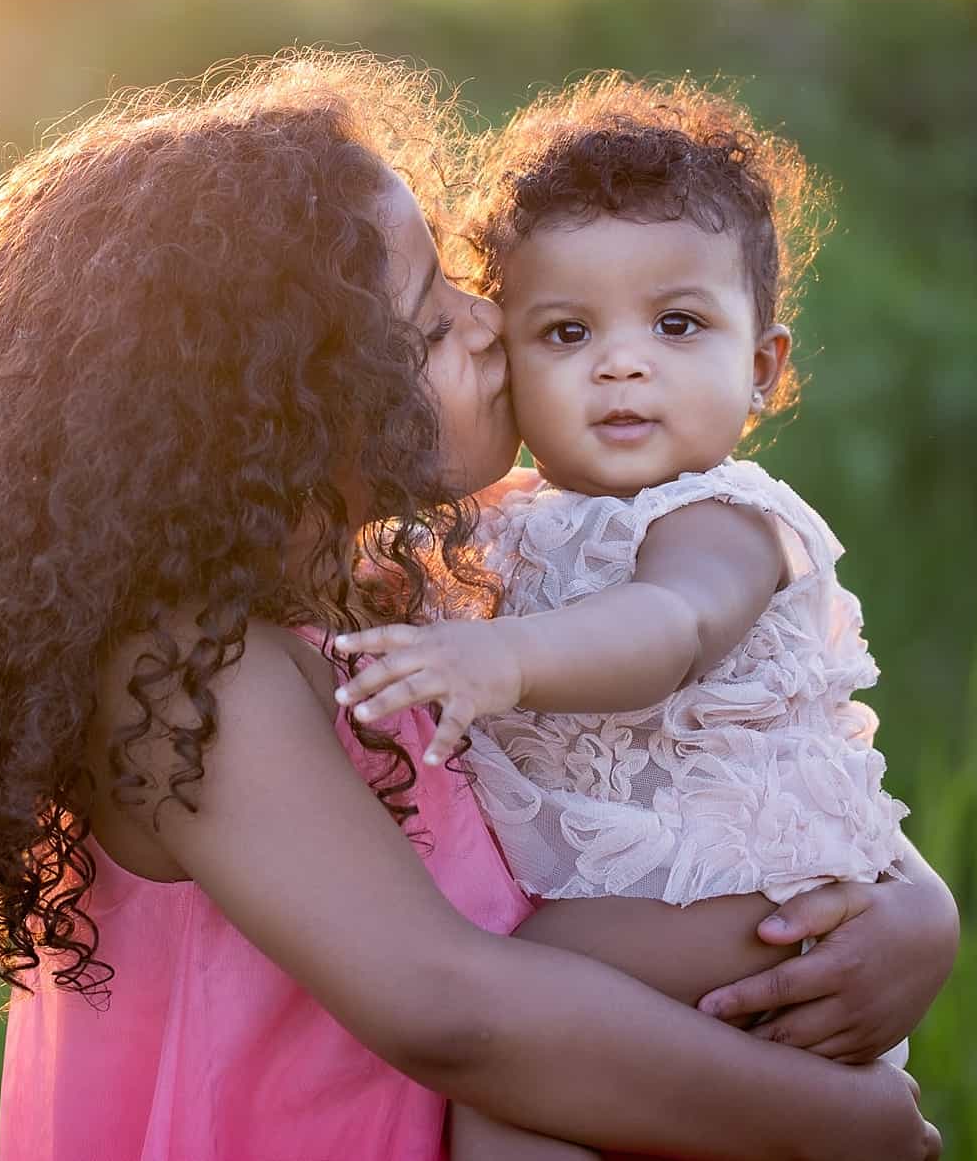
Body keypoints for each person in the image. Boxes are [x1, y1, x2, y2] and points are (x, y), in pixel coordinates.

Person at [0, 51, 952, 1159]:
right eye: (426, 316)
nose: (487, 321)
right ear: (275, 403)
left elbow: (722, 767)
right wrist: (833, 1124)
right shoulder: (190, 678)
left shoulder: (419, 588)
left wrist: (909, 913)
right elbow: (446, 1004)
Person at [331, 74, 928, 1159]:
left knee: (525, 1034)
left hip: (738, 884)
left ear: (760, 368)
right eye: (564, 330)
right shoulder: (499, 520)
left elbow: (669, 626)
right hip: (638, 888)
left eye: (675, 323)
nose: (620, 360)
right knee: (559, 1071)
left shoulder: (721, 517)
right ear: (507, 351)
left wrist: (499, 657)